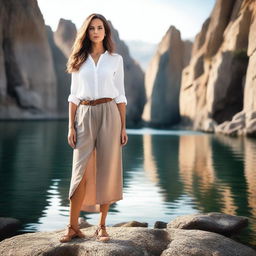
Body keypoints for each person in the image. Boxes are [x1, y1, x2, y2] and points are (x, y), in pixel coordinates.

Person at [59, 13, 128, 243]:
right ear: (86, 32)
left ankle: (101, 226)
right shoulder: (79, 59)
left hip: (110, 112)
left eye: (100, 27)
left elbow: (120, 95)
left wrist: (123, 127)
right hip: (84, 114)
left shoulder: (115, 59)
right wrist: (71, 126)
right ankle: (72, 227)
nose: (96, 31)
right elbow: (73, 96)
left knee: (107, 168)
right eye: (92, 28)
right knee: (79, 170)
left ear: (106, 32)